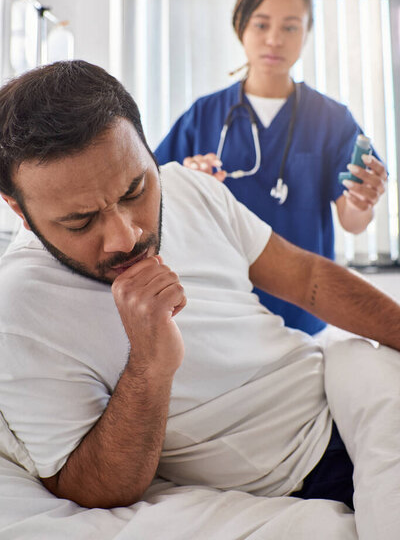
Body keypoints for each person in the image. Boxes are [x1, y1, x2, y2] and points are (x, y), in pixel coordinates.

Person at [0, 61, 399, 540]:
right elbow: (91, 489)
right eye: (81, 222)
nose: (127, 237)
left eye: (135, 189)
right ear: (20, 211)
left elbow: (308, 279)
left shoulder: (188, 187)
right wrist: (150, 365)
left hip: (340, 394)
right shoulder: (20, 309)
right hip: (295, 479)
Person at [154, 0, 387, 336]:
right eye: (261, 25)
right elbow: (152, 201)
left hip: (305, 317)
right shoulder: (204, 115)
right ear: (241, 28)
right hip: (222, 313)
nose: (274, 39)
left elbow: (353, 221)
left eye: (291, 27)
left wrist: (363, 199)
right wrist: (187, 183)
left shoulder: (332, 119)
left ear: (306, 33)